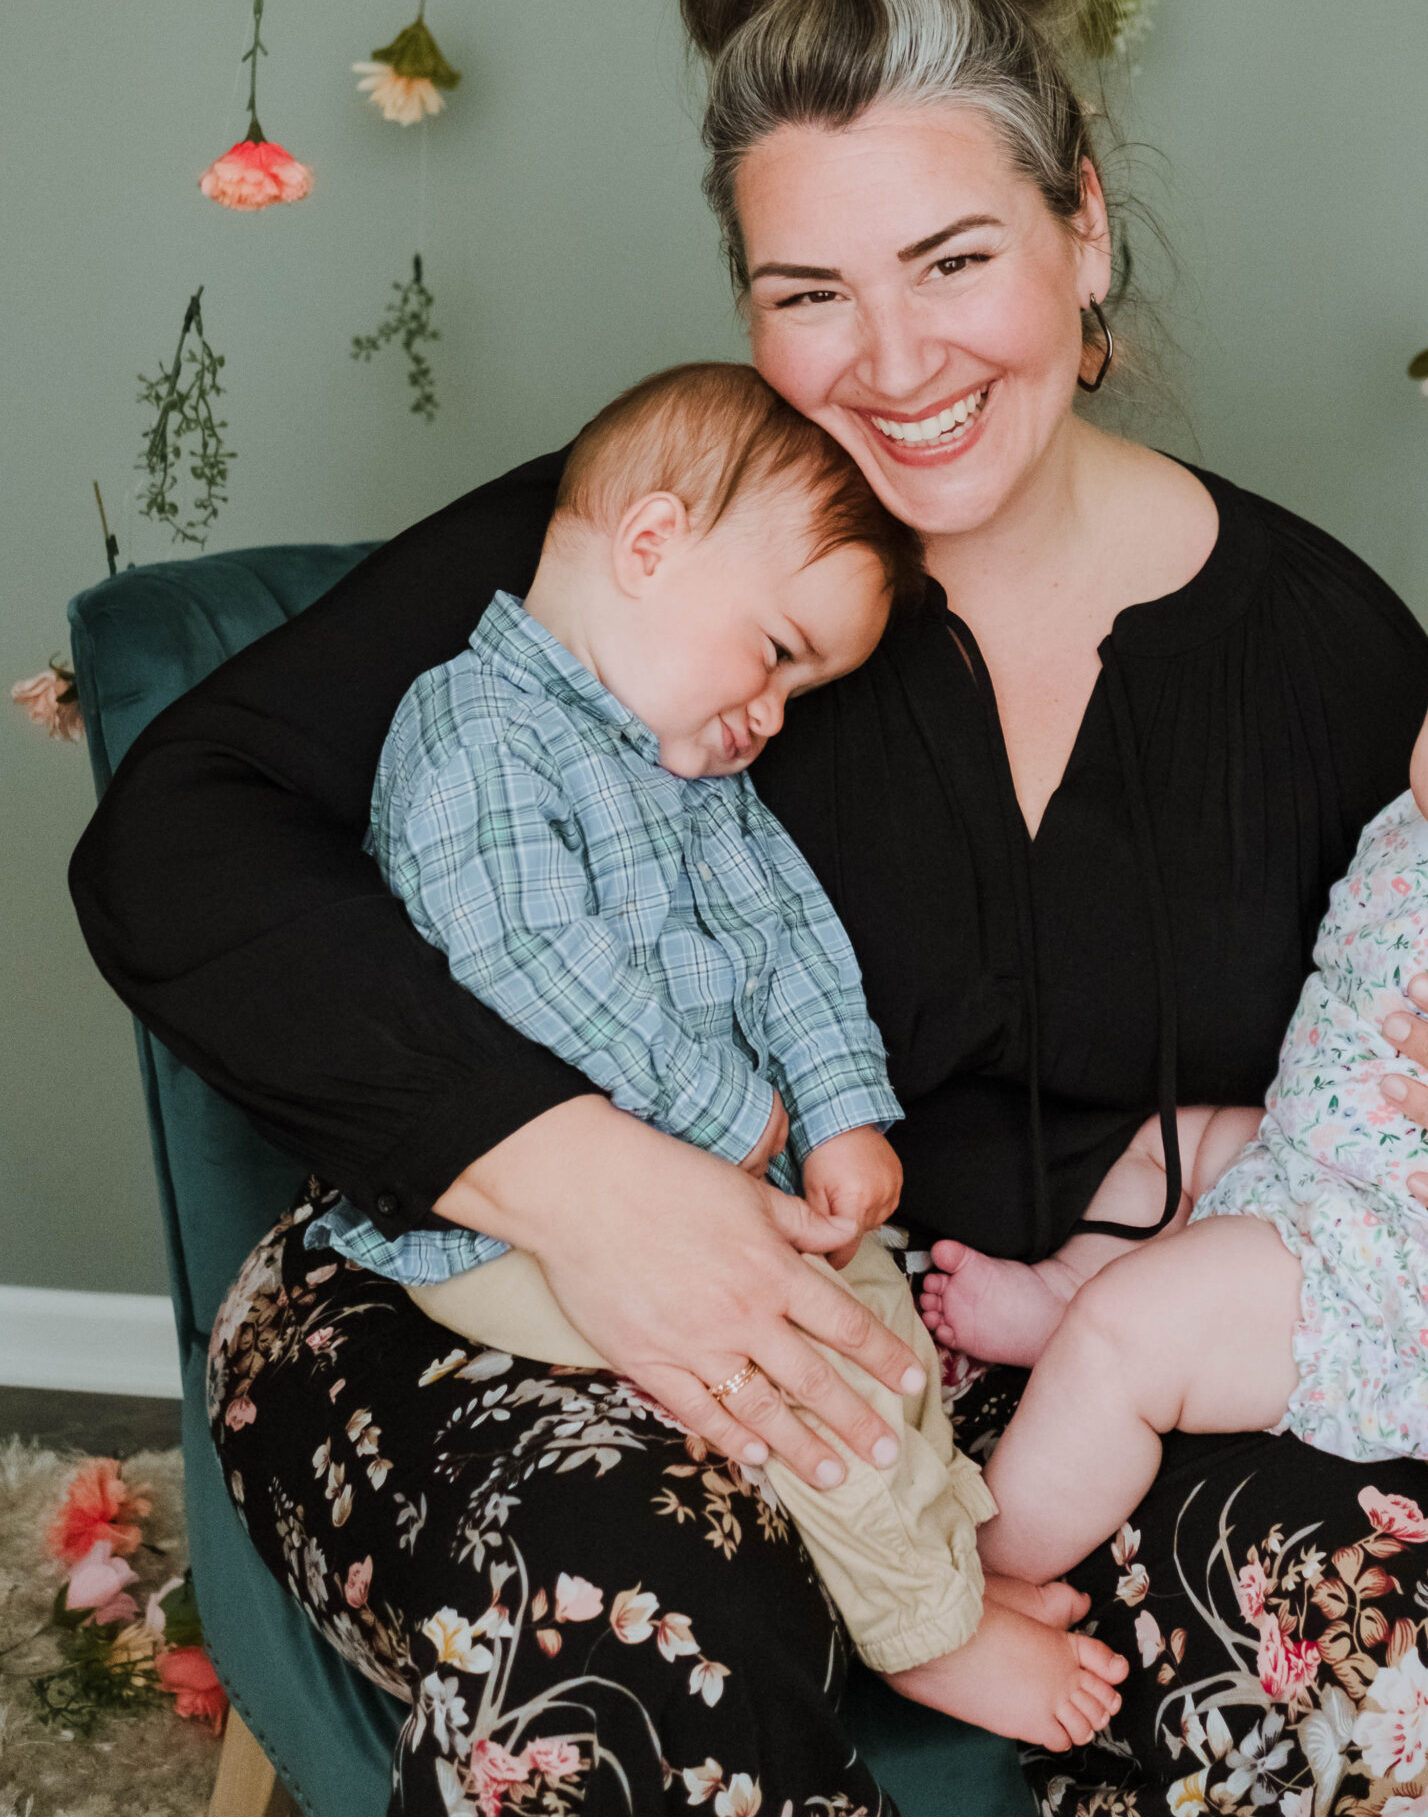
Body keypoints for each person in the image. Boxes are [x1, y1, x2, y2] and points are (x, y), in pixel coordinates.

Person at [72, 0, 1428, 1817]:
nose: (896, 363)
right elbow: (181, 829)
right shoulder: (651, 544)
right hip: (499, 1285)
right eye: (810, 291)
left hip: (1074, 1350)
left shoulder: (1321, 652)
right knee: (630, 1626)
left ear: (1084, 233)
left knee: (1416, 1660)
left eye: (954, 260)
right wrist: (579, 1174)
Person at [316, 355, 1126, 1747]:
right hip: (516, 1229)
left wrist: (840, 1116)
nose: (772, 712)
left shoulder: (696, 770)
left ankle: (937, 1565)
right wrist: (732, 1113)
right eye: (776, 654)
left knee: (872, 1329)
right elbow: (525, 964)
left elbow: (790, 946)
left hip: (732, 1169)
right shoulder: (476, 730)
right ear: (648, 548)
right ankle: (924, 1634)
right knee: (794, 1382)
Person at [937, 527, 1428, 1591]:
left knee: (1131, 1335)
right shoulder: (1422, 825)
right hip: (1297, 1168)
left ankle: (990, 1577)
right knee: (1171, 1143)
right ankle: (1065, 1287)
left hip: (1381, 1276)